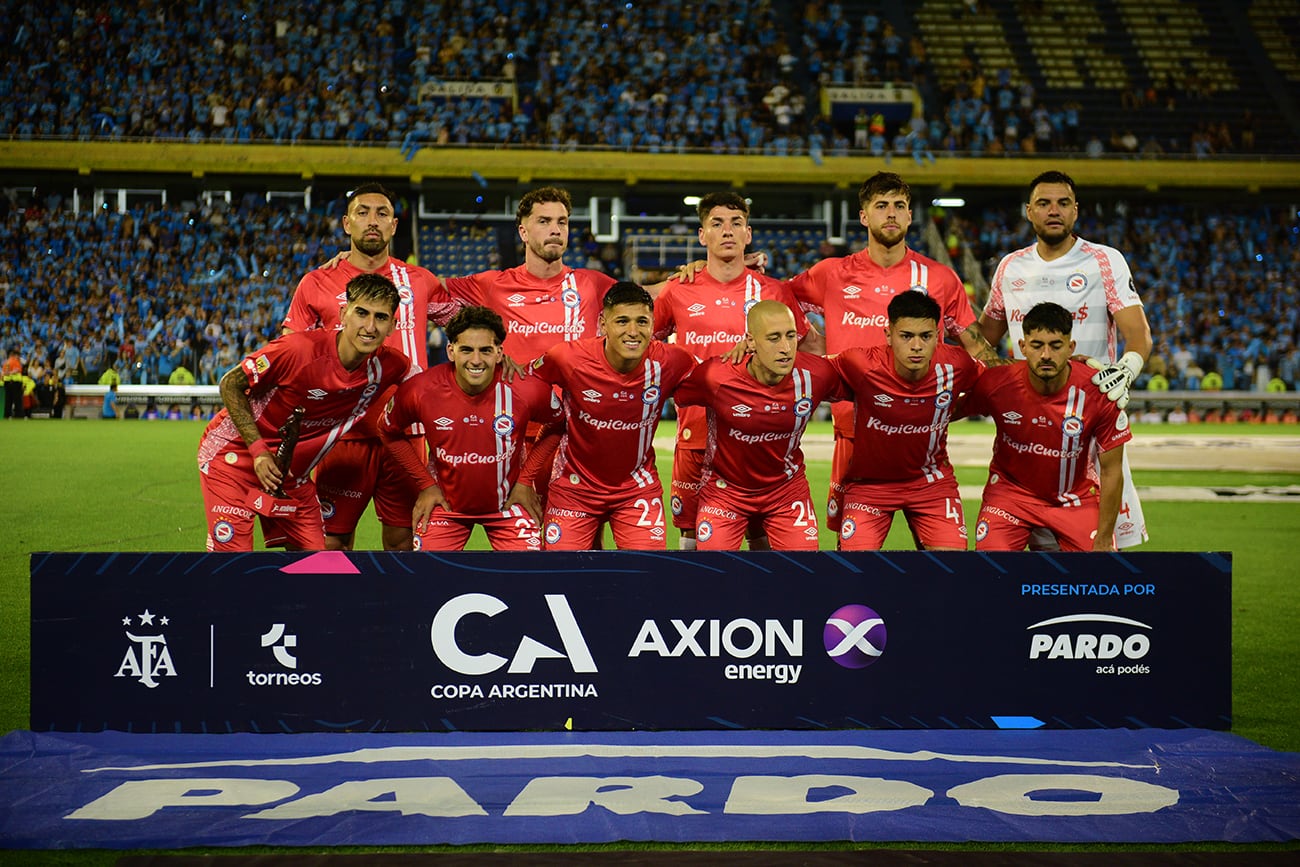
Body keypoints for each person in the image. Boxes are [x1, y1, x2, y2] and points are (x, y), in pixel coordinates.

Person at [783, 172, 997, 536]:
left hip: (922, 435)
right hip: (853, 435)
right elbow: (780, 297)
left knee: (943, 565)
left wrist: (1024, 380)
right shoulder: (832, 273)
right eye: (881, 206)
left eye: (899, 206)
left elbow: (975, 344)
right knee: (854, 566)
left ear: (911, 216)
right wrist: (810, 340)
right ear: (864, 216)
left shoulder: (940, 278)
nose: (891, 214)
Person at [978, 169, 1152, 549]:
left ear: (1076, 211)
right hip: (1029, 425)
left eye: (1063, 203)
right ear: (1029, 211)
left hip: (1090, 422)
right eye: (1043, 203)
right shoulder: (1010, 267)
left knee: (1096, 553)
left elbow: (1138, 335)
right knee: (1023, 550)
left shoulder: (1105, 261)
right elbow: (983, 340)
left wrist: (1126, 370)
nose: (1053, 210)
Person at [282, 182, 456, 552]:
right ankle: (333, 610)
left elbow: (463, 326)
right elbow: (291, 353)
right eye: (363, 213)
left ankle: (395, 611)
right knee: (331, 541)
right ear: (347, 223)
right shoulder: (316, 283)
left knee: (403, 539)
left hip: (408, 434)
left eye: (382, 214)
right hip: (343, 434)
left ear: (394, 226)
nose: (372, 221)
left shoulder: (421, 280)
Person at [652, 191, 821, 550]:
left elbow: (812, 350)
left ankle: (766, 608)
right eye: (717, 223)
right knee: (693, 541)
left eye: (736, 223)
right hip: (695, 436)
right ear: (702, 236)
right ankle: (698, 608)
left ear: (748, 234)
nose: (727, 231)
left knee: (763, 540)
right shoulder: (678, 290)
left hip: (760, 439)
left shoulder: (774, 291)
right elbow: (643, 345)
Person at [199, 274, 410, 553]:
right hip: (234, 459)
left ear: (393, 326)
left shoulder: (391, 366)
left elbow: (434, 392)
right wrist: (259, 451)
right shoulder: (297, 350)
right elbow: (230, 384)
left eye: (381, 318)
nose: (369, 326)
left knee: (318, 564)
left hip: (292, 476)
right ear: (343, 313)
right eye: (361, 313)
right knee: (231, 564)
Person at [528, 282, 696, 551]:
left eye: (642, 321)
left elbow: (721, 386)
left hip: (636, 490)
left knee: (646, 578)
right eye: (622, 321)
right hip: (574, 488)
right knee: (561, 577)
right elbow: (520, 388)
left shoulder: (674, 362)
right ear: (603, 323)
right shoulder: (568, 358)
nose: (633, 331)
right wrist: (524, 478)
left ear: (653, 324)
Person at [377, 306, 561, 551]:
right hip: (445, 506)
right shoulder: (420, 390)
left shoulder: (526, 389)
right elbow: (388, 430)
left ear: (499, 353)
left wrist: (526, 481)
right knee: (430, 580)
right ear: (451, 351)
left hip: (508, 504)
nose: (476, 360)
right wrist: (425, 484)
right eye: (466, 350)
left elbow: (558, 423)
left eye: (485, 350)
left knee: (528, 581)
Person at [672, 300, 845, 550]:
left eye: (791, 336)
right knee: (714, 577)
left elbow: (867, 380)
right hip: (725, 491)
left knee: (801, 576)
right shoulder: (715, 376)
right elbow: (663, 387)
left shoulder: (817, 374)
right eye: (773, 338)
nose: (786, 348)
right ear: (750, 341)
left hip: (787, 492)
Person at [962, 302, 1131, 552]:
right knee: (990, 573)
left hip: (1074, 499)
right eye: (1037, 345)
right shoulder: (996, 383)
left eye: (1056, 346)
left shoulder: (1099, 391)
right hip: (1010, 496)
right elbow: (942, 413)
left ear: (1071, 347)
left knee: (1097, 576)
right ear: (1022, 347)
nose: (1046, 355)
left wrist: (1104, 538)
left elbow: (1112, 471)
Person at [830, 291, 985, 551]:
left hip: (931, 484)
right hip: (870, 486)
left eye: (925, 336)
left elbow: (1005, 381)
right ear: (888, 334)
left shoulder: (958, 364)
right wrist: (749, 355)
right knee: (853, 571)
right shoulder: (860, 363)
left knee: (952, 570)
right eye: (906, 336)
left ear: (937, 336)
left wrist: (1071, 369)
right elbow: (804, 372)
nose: (916, 346)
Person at [3, 348, 22, 419]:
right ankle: (19, 415)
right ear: (15, 355)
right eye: (18, 355)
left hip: (7, 383)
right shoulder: (15, 361)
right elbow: (17, 370)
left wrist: (8, 374)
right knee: (17, 400)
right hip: (15, 383)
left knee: (8, 400)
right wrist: (11, 373)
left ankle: (7, 415)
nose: (19, 357)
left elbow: (4, 372)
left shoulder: (6, 362)